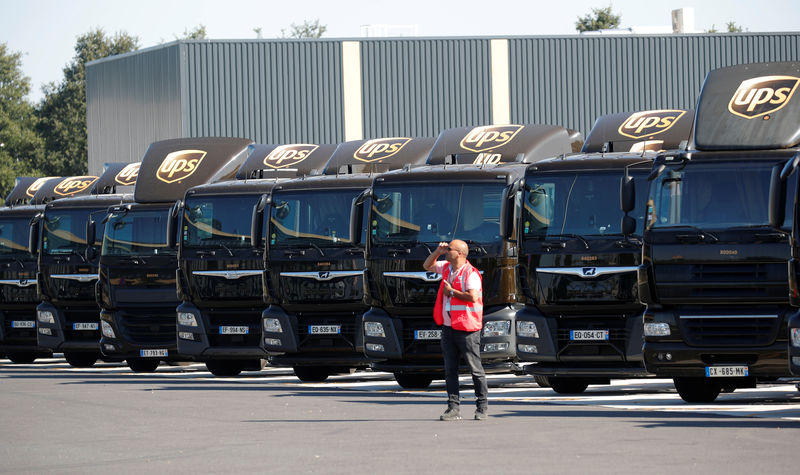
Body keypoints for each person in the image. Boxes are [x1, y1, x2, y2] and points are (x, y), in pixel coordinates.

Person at [422, 239, 488, 421]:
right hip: (449, 327)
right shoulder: (446, 267)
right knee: (450, 370)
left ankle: (482, 407)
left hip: (467, 329)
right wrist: (436, 251)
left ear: (459, 253)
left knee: (475, 370)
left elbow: (473, 297)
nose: (446, 250)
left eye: (448, 249)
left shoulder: (470, 273)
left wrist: (452, 292)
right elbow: (427, 265)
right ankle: (453, 408)